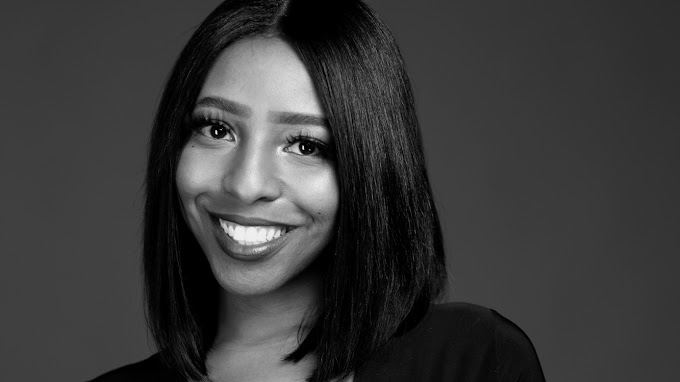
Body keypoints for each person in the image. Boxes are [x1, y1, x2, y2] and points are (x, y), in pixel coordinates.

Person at [90, 0, 545, 381]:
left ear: (370, 169)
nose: (246, 184)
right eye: (217, 128)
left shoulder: (470, 361)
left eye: (305, 145)